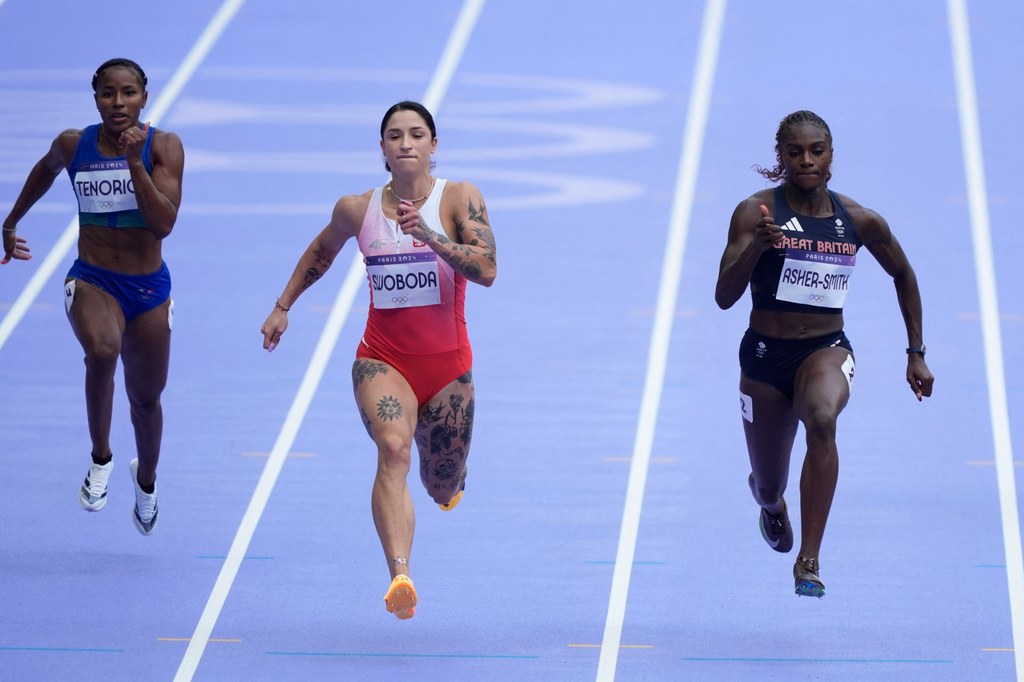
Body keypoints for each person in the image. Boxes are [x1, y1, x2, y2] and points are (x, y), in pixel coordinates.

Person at [261, 100, 497, 620]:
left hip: (448, 368)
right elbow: (321, 252)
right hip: (382, 360)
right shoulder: (357, 208)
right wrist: (283, 307)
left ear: (434, 146)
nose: (406, 143)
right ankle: (401, 575)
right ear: (383, 149)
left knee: (441, 484)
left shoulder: (460, 198)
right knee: (393, 449)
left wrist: (430, 236)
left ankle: (451, 482)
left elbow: (486, 269)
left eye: (417, 134)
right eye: (395, 135)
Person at [714, 110, 933, 598]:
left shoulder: (859, 221)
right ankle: (771, 506)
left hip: (825, 350)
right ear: (782, 158)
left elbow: (904, 274)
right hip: (765, 359)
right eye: (795, 152)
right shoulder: (755, 212)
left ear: (832, 155)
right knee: (770, 485)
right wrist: (757, 250)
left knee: (822, 419)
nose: (807, 160)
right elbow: (724, 296)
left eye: (817, 151)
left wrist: (915, 351)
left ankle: (808, 560)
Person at [2, 58, 184, 536]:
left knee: (146, 401)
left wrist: (132, 163)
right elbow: (45, 170)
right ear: (95, 97)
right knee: (102, 350)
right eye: (107, 93)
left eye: (128, 93)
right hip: (92, 280)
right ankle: (100, 459)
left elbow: (163, 222)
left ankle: (145, 484)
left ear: (144, 96)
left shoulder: (163, 146)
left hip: (147, 290)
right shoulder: (73, 144)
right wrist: (11, 221)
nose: (118, 103)